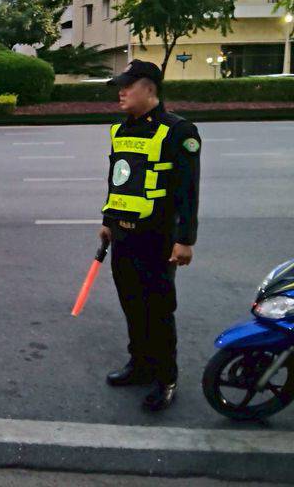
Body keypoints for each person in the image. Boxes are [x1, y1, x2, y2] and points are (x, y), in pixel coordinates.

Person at [98, 60, 201, 412]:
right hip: (124, 236)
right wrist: (108, 220)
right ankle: (140, 365)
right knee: (131, 303)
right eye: (119, 86)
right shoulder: (120, 130)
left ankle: (165, 377)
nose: (121, 92)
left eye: (128, 86)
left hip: (158, 239)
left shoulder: (178, 131)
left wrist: (185, 239)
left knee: (157, 310)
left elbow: (188, 190)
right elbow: (118, 178)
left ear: (150, 88)